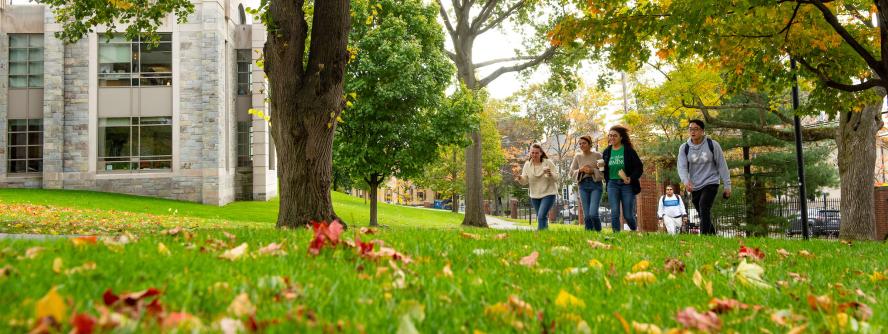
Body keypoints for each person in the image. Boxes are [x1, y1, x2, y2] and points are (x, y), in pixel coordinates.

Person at [677, 119, 731, 235]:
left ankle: (704, 237)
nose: (693, 132)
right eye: (690, 129)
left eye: (696, 129)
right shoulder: (684, 148)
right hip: (695, 185)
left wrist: (727, 185)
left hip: (711, 182)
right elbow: (681, 167)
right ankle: (712, 235)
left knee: (703, 206)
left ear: (702, 131)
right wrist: (686, 181)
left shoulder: (713, 145)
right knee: (702, 213)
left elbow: (722, 165)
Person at [602, 125, 643, 232]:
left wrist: (631, 178)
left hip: (627, 185)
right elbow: (604, 169)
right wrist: (601, 167)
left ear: (621, 137)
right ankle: (616, 235)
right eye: (610, 136)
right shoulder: (607, 151)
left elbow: (639, 167)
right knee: (615, 212)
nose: (612, 138)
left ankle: (634, 230)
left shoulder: (628, 150)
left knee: (628, 215)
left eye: (615, 136)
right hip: (612, 184)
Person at [517, 144, 559, 230]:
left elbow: (557, 177)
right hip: (535, 195)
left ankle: (539, 233)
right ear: (530, 153)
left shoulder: (548, 163)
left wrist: (550, 174)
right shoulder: (527, 165)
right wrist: (520, 178)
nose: (534, 155)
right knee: (542, 217)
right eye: (532, 153)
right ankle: (544, 235)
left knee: (541, 216)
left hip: (549, 193)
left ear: (541, 153)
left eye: (536, 153)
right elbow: (525, 181)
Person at [570, 135, 605, 231]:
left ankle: (598, 232)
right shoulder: (577, 156)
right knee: (587, 215)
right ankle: (589, 234)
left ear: (589, 144)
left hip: (595, 185)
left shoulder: (598, 155)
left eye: (584, 143)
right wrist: (580, 170)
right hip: (583, 185)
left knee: (593, 214)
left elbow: (603, 172)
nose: (581, 145)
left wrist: (593, 171)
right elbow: (571, 172)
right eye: (580, 144)